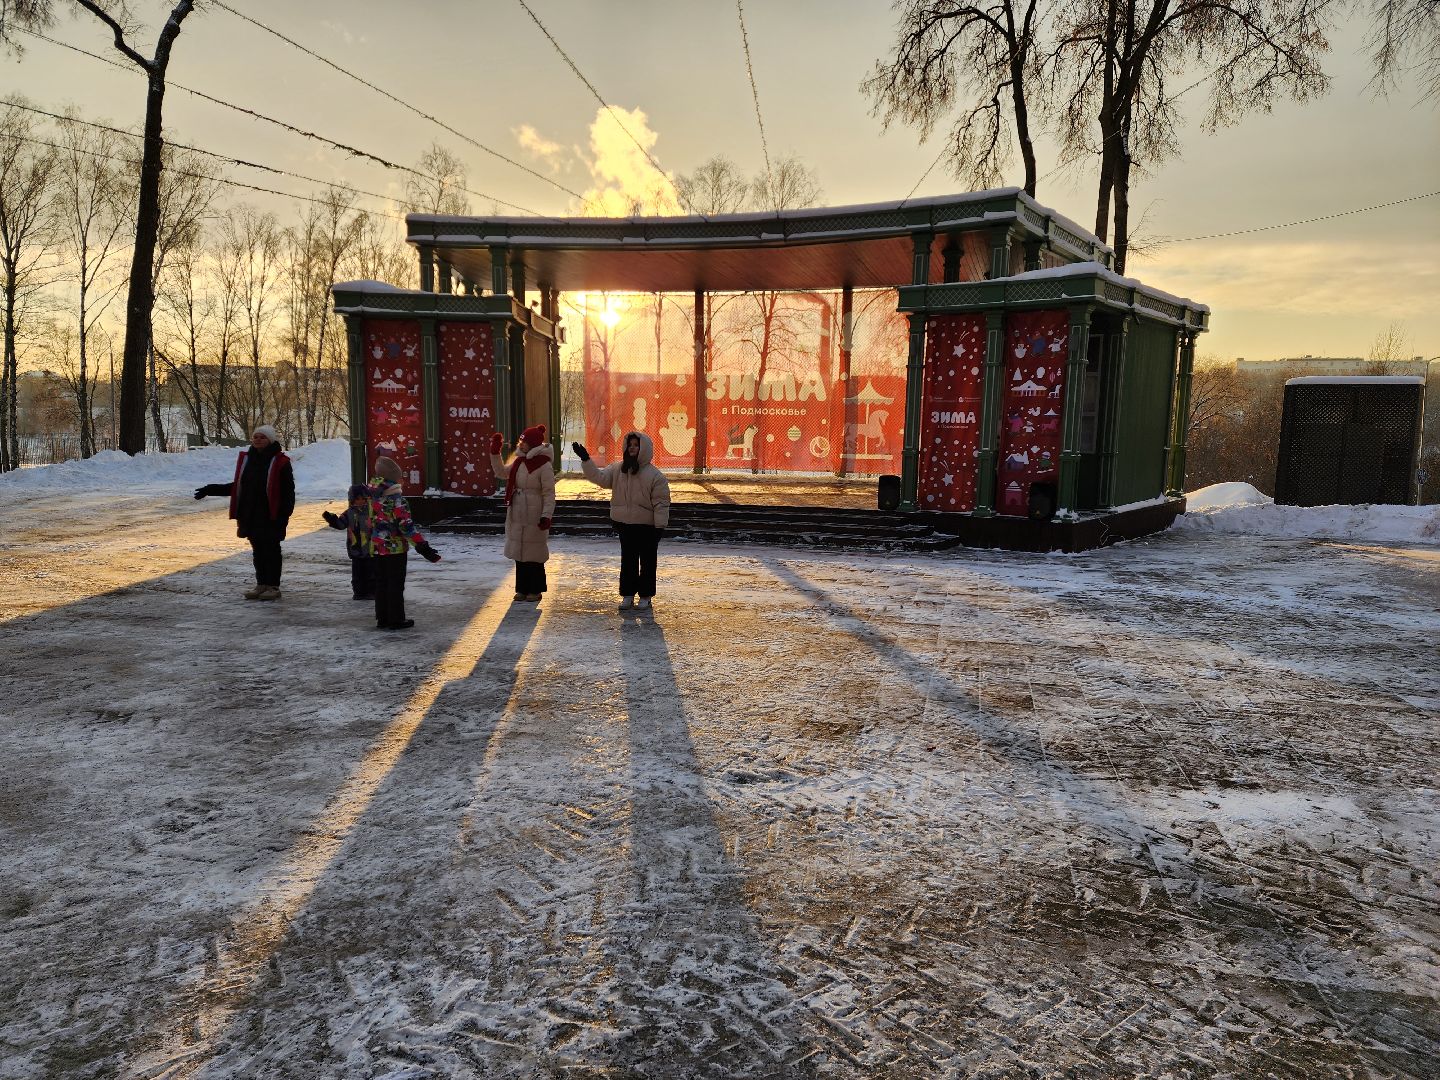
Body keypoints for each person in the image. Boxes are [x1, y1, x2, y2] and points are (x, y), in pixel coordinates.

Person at [193, 425, 296, 601]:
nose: (258, 440)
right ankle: (261, 584)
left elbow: (288, 492)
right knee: (258, 551)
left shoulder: (281, 462)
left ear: (270, 440)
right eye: (255, 437)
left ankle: (273, 586)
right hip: (251, 513)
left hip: (271, 515)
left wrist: (284, 515)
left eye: (262, 437)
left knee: (271, 550)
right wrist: (211, 489)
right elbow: (239, 486)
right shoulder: (248, 459)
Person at [572, 431, 670, 610]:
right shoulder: (618, 469)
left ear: (644, 449)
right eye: (630, 445)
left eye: (636, 445)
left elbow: (661, 503)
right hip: (625, 525)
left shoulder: (655, 476)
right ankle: (628, 594)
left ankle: (646, 596)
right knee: (628, 562)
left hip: (647, 527)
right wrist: (586, 460)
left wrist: (659, 527)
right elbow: (600, 478)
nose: (632, 448)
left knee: (647, 563)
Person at [365, 455, 441, 630]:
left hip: (376, 548)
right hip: (394, 550)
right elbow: (406, 527)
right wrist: (423, 547)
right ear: (393, 478)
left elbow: (369, 522)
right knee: (395, 584)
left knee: (381, 583)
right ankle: (396, 619)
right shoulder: (397, 500)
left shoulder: (373, 497)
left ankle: (382, 618)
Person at [489, 424, 554, 602]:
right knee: (520, 552)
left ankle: (536, 589)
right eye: (520, 441)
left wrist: (546, 515)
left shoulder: (544, 465)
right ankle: (522, 589)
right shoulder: (519, 462)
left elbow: (549, 493)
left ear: (532, 445)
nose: (521, 444)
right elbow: (501, 473)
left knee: (534, 553)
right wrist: (495, 453)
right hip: (517, 510)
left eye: (524, 442)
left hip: (535, 512)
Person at [322, 484, 377, 601]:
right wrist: (332, 519)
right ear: (352, 500)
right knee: (357, 574)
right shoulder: (349, 513)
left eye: (363, 499)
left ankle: (371, 592)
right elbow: (341, 524)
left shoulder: (372, 512)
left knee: (371, 573)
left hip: (370, 550)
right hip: (356, 549)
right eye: (358, 499)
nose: (361, 501)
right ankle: (359, 592)